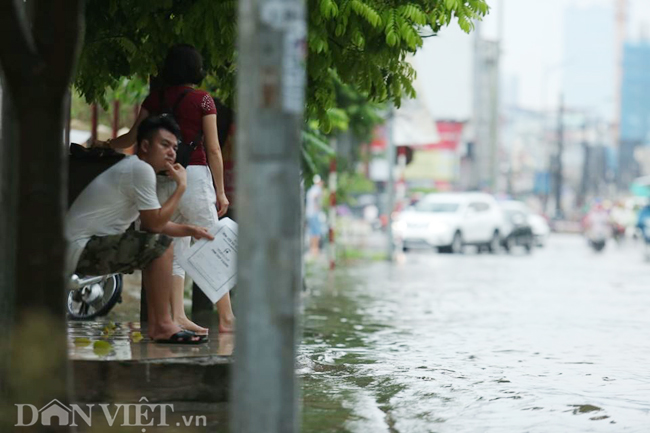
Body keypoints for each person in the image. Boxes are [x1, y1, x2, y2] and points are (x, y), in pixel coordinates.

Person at [98, 44, 234, 335]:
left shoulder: (155, 98)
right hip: (194, 175)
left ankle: (178, 317)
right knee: (210, 244)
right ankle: (226, 318)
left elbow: (133, 138)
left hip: (158, 178)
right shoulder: (203, 100)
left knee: (169, 247)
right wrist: (220, 191)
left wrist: (106, 144)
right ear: (196, 69)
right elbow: (213, 148)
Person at [67, 116, 212, 344]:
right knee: (160, 247)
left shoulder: (136, 169)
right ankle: (162, 325)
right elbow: (154, 225)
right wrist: (181, 187)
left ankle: (159, 325)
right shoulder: (140, 169)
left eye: (174, 147)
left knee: (157, 243)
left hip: (78, 247)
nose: (172, 153)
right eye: (164, 145)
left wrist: (190, 229)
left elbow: (150, 223)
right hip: (80, 248)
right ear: (145, 146)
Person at [305, 176, 324, 257]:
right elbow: (315, 197)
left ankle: (312, 248)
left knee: (312, 231)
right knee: (316, 232)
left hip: (309, 213)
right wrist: (317, 206)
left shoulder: (311, 190)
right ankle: (315, 249)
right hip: (314, 213)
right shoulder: (317, 189)